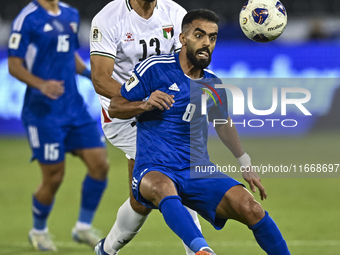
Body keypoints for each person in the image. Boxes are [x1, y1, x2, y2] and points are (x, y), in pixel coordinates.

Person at [106, 9, 291, 255]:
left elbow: (223, 124)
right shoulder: (154, 69)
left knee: (252, 208)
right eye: (199, 35)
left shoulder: (212, 85)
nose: (206, 43)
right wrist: (144, 104)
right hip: (154, 167)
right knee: (164, 190)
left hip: (196, 169)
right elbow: (115, 107)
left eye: (212, 37)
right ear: (183, 38)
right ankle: (202, 251)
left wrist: (244, 162)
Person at [90, 0, 202, 254]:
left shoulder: (175, 14)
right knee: (178, 171)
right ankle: (199, 250)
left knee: (141, 201)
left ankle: (105, 250)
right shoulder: (108, 18)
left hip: (162, 111)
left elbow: (186, 65)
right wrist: (142, 99)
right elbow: (99, 78)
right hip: (123, 114)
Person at [8, 0, 109, 251]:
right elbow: (13, 65)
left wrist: (89, 75)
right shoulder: (27, 19)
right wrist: (41, 84)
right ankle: (38, 230)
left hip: (74, 108)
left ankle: (82, 227)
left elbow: (69, 54)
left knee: (100, 165)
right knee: (54, 176)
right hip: (44, 113)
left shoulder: (70, 14)